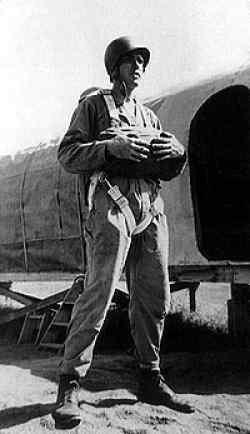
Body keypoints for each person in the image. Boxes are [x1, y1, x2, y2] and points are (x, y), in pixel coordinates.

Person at [52, 36, 194, 428]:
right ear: (114, 67)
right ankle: (70, 384)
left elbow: (168, 166)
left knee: (155, 296)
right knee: (98, 292)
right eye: (131, 61)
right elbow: (67, 154)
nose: (139, 68)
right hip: (112, 206)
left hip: (151, 208)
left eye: (142, 63)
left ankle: (150, 377)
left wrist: (178, 155)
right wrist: (110, 148)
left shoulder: (149, 117)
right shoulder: (94, 106)